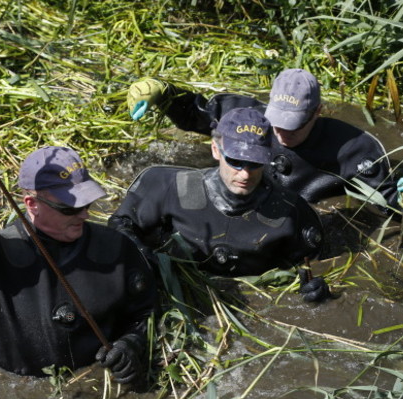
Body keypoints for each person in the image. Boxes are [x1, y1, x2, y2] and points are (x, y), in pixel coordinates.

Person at [0, 83, 157, 384]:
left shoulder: (116, 249)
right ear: (31, 204)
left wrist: (132, 345)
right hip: (22, 383)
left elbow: (147, 310)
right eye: (71, 208)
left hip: (95, 381)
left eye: (88, 203)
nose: (84, 215)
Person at [126, 68, 403, 213]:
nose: (282, 134)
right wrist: (162, 93)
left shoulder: (353, 147)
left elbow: (388, 199)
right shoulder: (246, 116)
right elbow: (194, 112)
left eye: (295, 125)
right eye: (277, 122)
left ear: (318, 111)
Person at [108, 107, 325, 288]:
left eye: (255, 163)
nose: (245, 173)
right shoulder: (171, 187)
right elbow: (120, 225)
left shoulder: (289, 212)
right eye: (235, 161)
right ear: (215, 150)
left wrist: (316, 290)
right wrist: (142, 256)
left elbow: (315, 266)